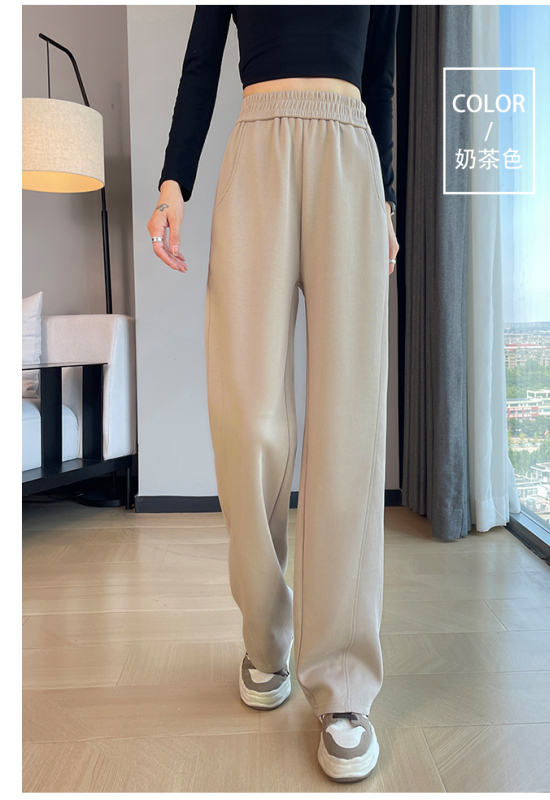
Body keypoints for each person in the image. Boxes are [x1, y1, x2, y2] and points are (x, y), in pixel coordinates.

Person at [147, 4, 400, 783]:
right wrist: (173, 181)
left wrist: (386, 199)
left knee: (348, 422)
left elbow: (381, 77)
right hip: (256, 145)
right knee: (246, 413)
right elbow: (200, 64)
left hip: (349, 151)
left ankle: (344, 683)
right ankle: (266, 635)